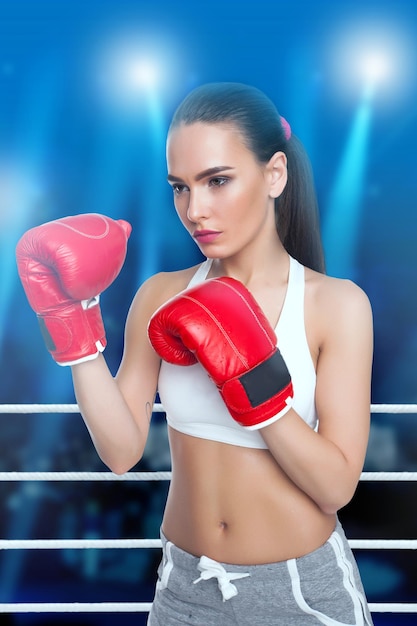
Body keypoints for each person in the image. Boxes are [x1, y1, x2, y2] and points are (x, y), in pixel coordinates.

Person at [16, 82, 374, 625]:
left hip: (299, 593)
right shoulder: (161, 295)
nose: (196, 209)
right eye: (180, 187)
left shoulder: (337, 305)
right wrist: (73, 318)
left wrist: (253, 378)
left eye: (218, 181)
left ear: (274, 174)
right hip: (186, 589)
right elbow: (120, 452)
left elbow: (336, 485)